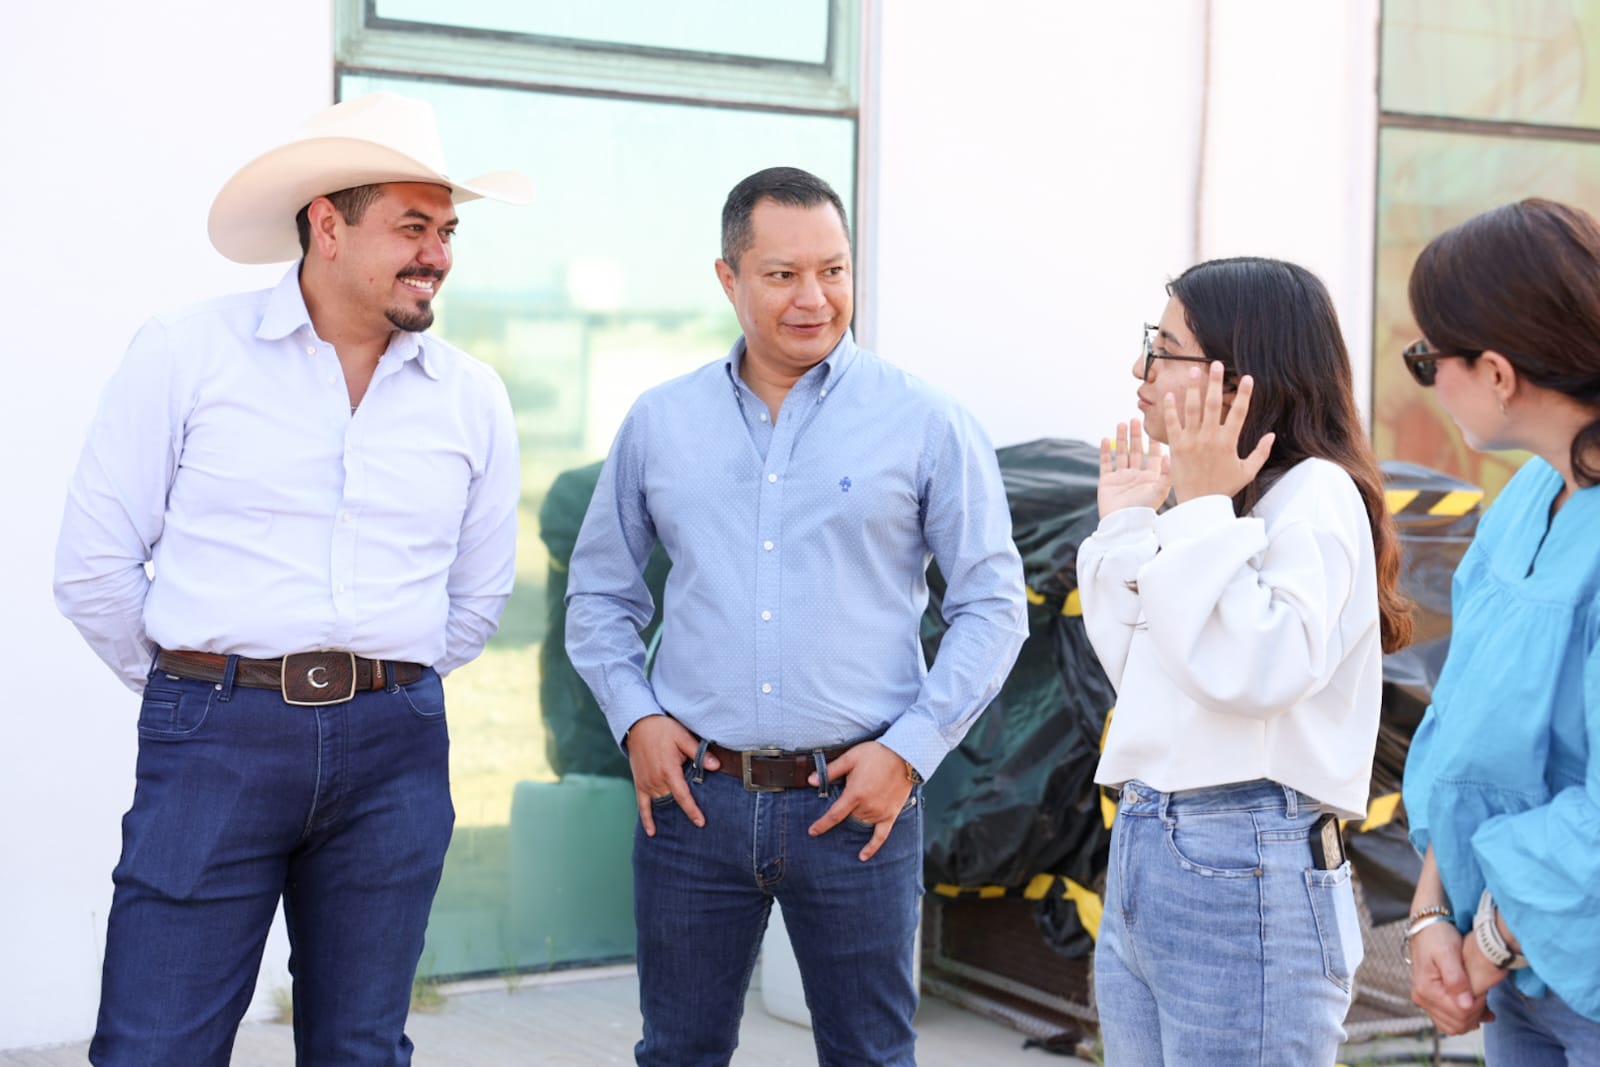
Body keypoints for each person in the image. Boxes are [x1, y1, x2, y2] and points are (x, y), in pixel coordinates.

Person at [52, 93, 532, 1066]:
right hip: (215, 740)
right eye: (412, 226)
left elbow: (477, 598)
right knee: (154, 1046)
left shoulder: (473, 397)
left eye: (446, 231)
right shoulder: (189, 351)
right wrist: (202, 688)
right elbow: (94, 566)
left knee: (361, 1048)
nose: (437, 253)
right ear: (327, 224)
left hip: (395, 749)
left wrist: (376, 682)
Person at [564, 165, 1028, 1066]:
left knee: (870, 1055)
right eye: (782, 274)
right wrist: (635, 718)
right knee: (678, 1051)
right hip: (694, 803)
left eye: (834, 270)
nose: (815, 298)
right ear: (728, 277)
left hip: (859, 806)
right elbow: (599, 593)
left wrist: (910, 751)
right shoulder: (661, 422)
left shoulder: (926, 421)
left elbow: (993, 605)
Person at [1078, 257, 1413, 1064]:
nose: (1141, 370)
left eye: (1165, 350)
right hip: (1154, 837)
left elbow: (1257, 670)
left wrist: (1197, 510)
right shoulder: (1225, 499)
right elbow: (1148, 675)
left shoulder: (1316, 493)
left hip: (1246, 845)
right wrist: (1127, 525)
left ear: (1241, 372)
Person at [1400, 198, 1600, 1061]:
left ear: (1496, 371)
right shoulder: (1527, 499)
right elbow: (1462, 732)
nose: (1427, 379)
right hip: (1515, 972)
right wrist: (1428, 915)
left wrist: (1484, 944)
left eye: (1426, 358)